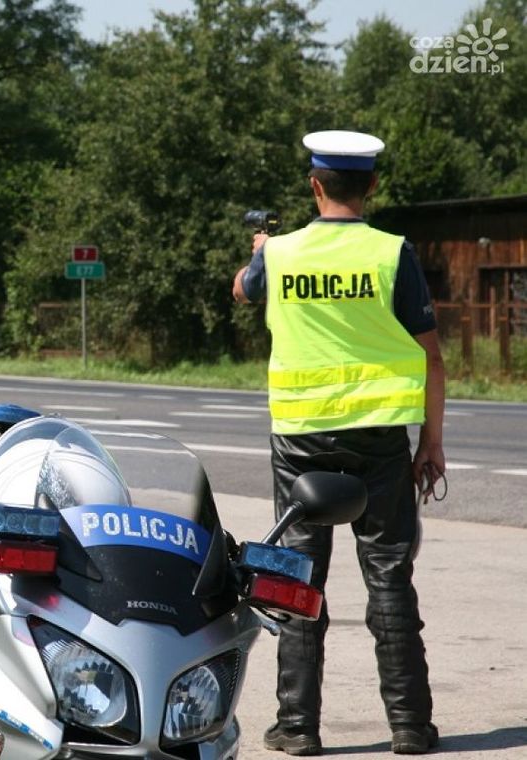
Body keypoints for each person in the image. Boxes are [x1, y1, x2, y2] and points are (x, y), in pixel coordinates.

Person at [231, 130, 445, 756]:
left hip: (300, 439)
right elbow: (432, 359)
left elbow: (243, 290)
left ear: (314, 186)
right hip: (380, 439)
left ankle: (298, 727)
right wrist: (431, 440)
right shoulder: (392, 254)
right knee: (389, 578)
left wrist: (260, 253)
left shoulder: (283, 253)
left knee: (299, 577)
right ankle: (410, 725)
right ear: (372, 185)